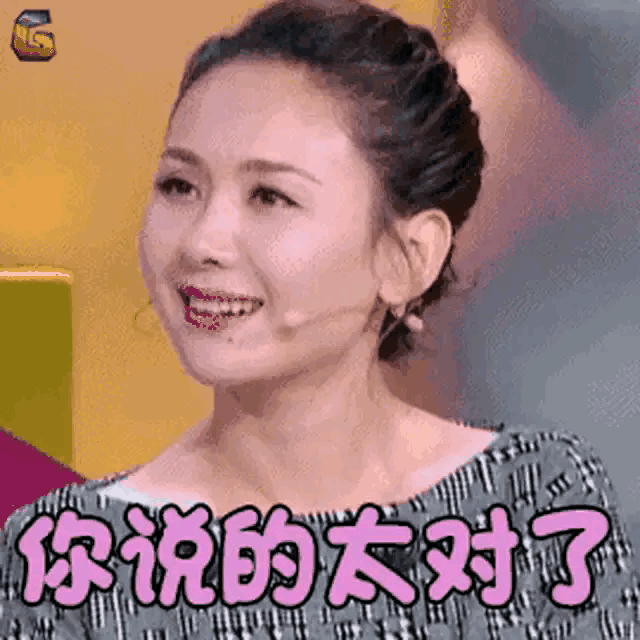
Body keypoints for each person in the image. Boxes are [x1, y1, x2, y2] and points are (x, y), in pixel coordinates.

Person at [1, 0, 637, 637]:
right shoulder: (66, 553)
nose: (202, 243)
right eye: (179, 186)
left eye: (270, 196)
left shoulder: (540, 506)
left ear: (409, 257)